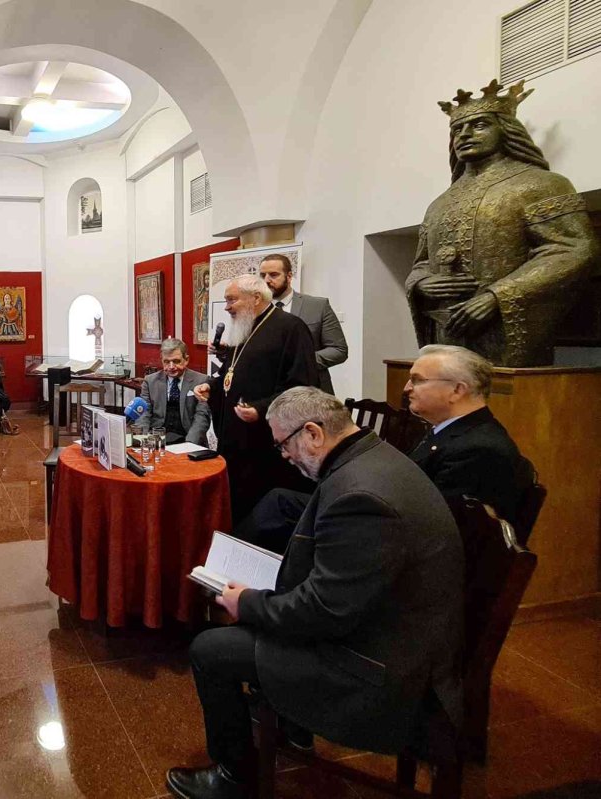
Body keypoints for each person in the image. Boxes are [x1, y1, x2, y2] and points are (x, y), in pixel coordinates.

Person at [168, 388, 463, 799]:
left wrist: (247, 602)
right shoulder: (372, 457)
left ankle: (234, 778)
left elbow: (325, 611)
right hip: (391, 626)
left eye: (283, 445)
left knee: (210, 649)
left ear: (313, 433)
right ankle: (289, 725)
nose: (284, 456)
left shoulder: (361, 496)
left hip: (378, 666)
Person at [406, 79, 600, 367]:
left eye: (479, 125)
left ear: (506, 129)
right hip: (447, 332)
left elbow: (573, 249)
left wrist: (497, 295)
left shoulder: (542, 184)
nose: (465, 134)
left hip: (507, 332)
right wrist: (422, 283)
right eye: (457, 129)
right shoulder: (439, 204)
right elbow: (421, 263)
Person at [192, 275, 318, 522]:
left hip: (266, 444)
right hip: (236, 440)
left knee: (260, 513)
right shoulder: (243, 328)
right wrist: (211, 386)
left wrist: (261, 409)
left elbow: (302, 386)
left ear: (256, 298)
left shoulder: (291, 328)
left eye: (232, 300)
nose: (226, 307)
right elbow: (229, 373)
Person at [404, 344, 530, 524]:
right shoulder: (449, 431)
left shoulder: (477, 450)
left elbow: (437, 523)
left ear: (457, 390)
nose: (407, 388)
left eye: (417, 380)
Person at [257, 254, 348, 394]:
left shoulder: (317, 306)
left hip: (312, 391)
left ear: (289, 276)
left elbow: (338, 350)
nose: (266, 280)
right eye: (262, 275)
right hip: (267, 393)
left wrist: (301, 362)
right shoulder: (255, 309)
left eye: (273, 275)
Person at [135, 337, 211, 446]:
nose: (171, 367)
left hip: (189, 440)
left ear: (186, 360)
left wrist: (189, 445)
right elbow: (144, 413)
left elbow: (202, 417)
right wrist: (142, 441)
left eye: (176, 361)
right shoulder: (150, 381)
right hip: (157, 441)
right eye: (166, 362)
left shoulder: (201, 381)